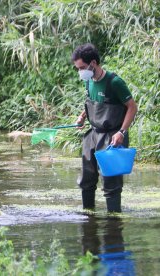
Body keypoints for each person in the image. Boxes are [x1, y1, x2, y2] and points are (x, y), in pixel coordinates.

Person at [72, 43, 138, 212]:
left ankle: (113, 223)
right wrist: (82, 117)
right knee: (86, 179)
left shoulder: (114, 82)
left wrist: (122, 132)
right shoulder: (89, 81)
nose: (80, 72)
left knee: (111, 183)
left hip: (112, 137)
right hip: (92, 135)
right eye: (77, 69)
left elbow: (132, 107)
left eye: (82, 68)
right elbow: (92, 102)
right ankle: (89, 219)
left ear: (93, 63)